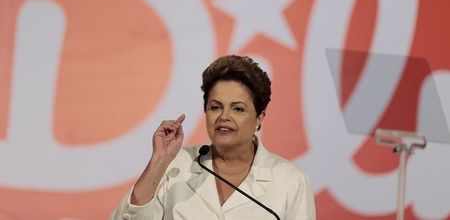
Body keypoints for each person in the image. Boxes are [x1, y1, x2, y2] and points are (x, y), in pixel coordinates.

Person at [110, 55, 316, 219]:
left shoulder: (290, 181)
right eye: (215, 107)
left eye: (238, 109)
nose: (224, 117)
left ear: (259, 118)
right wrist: (159, 161)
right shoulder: (176, 165)